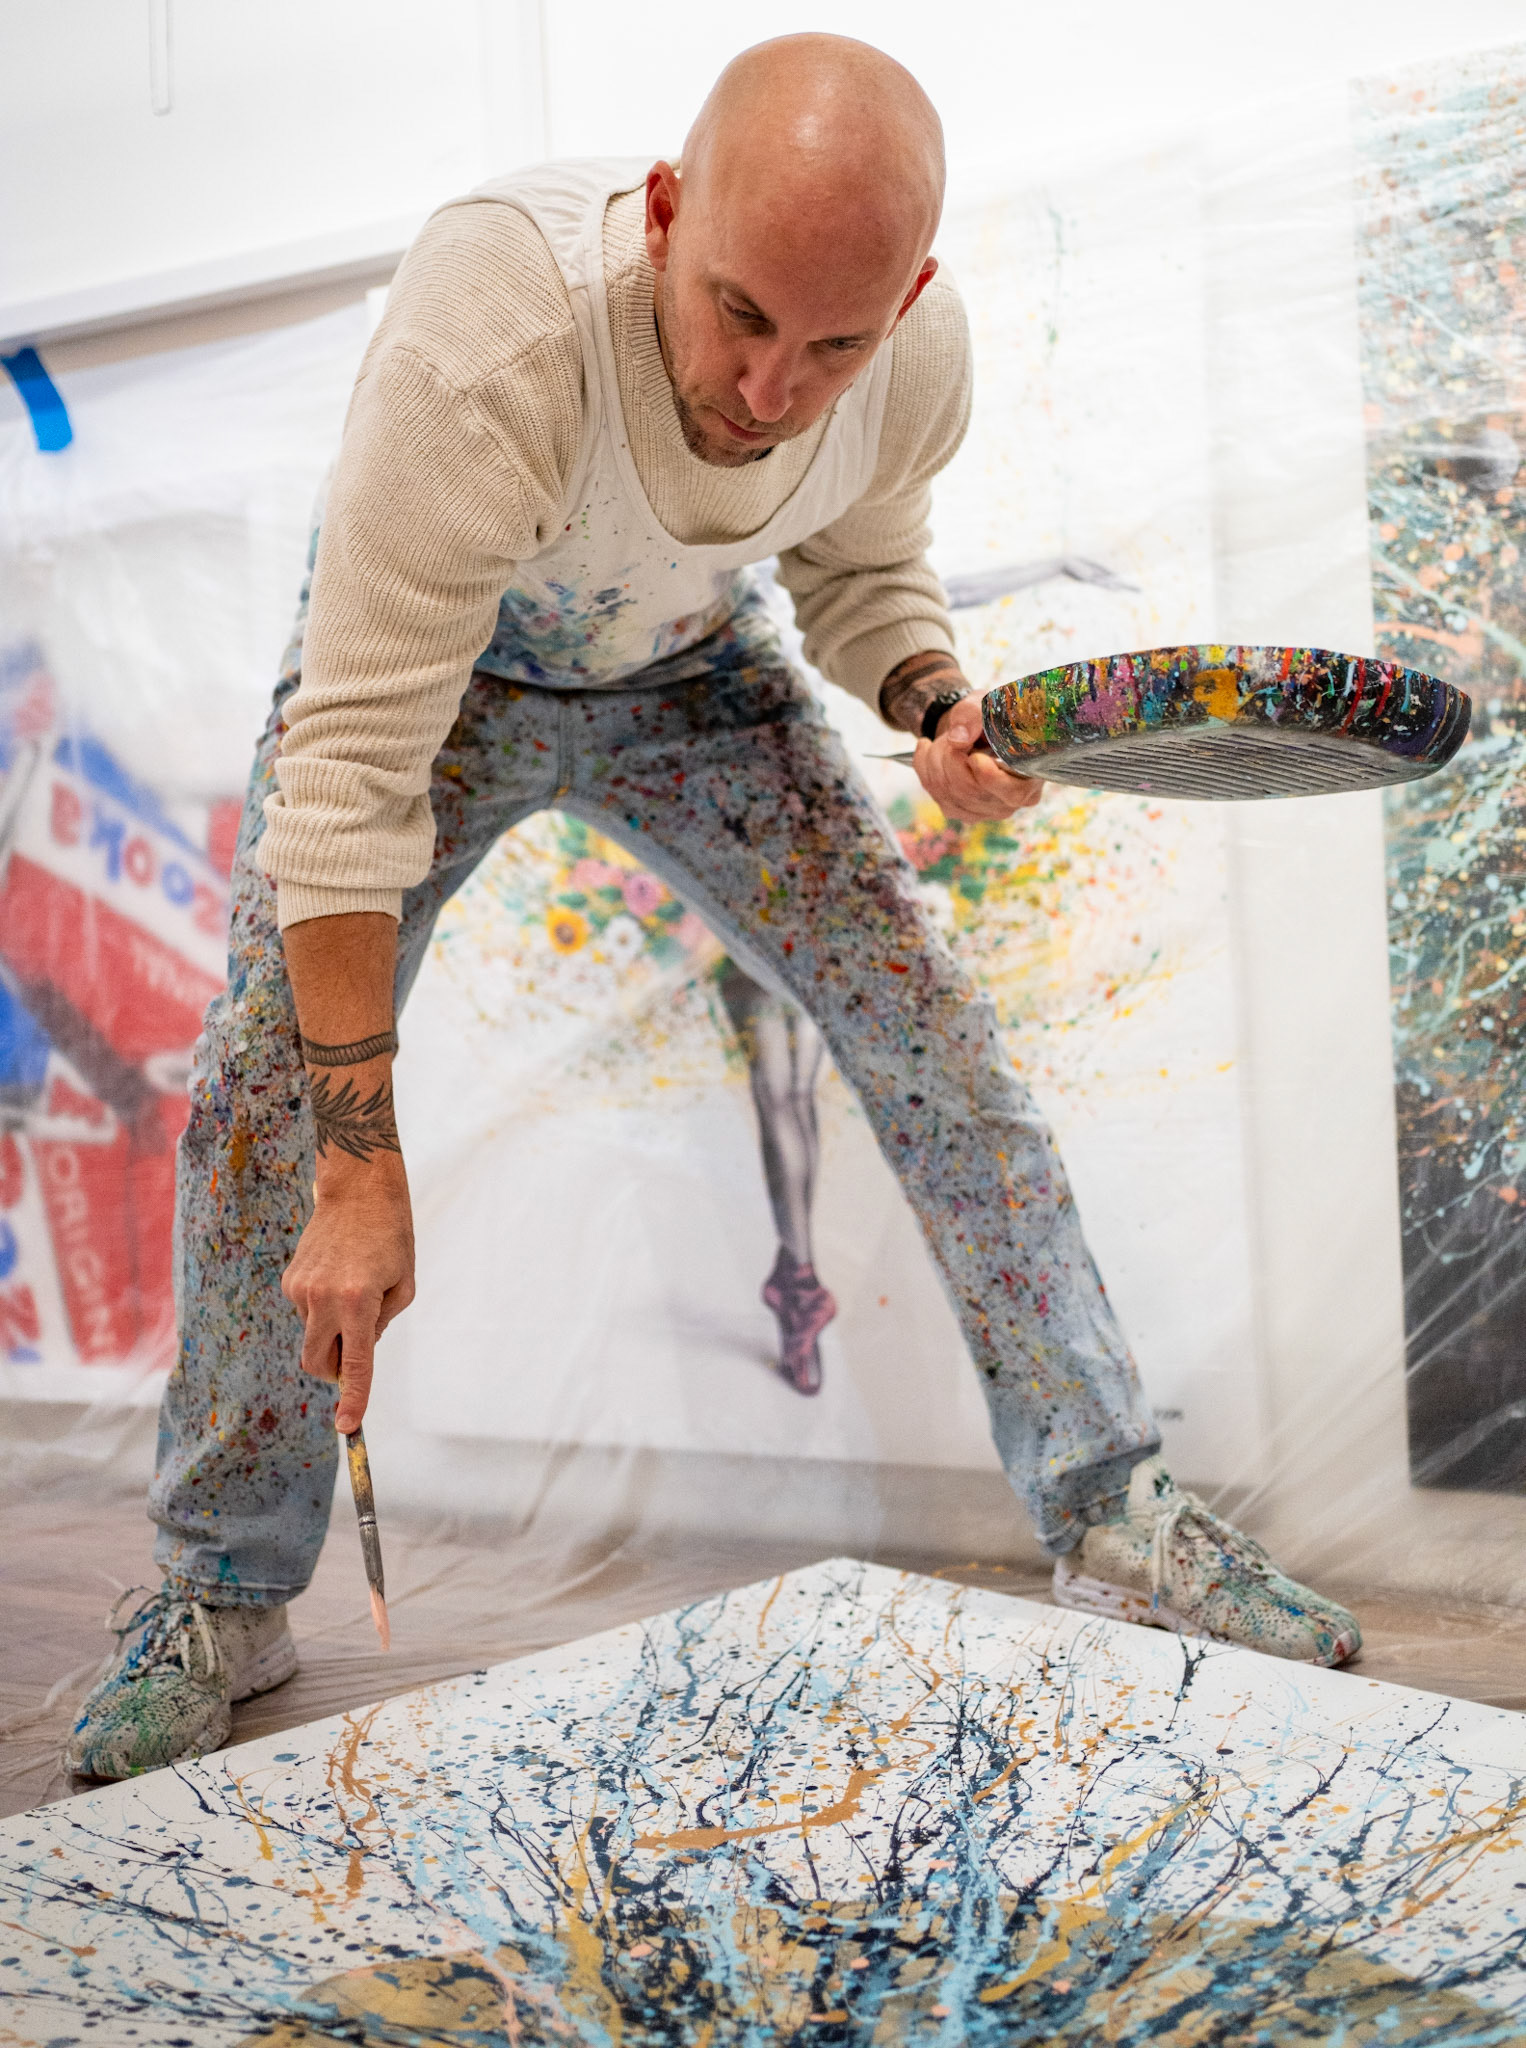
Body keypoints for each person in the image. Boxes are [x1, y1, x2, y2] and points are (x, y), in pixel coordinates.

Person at [67, 34, 1359, 1780]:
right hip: (446, 689)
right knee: (259, 1093)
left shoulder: (913, 359)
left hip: (698, 678)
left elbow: (857, 565)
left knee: (938, 1044)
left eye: (833, 344)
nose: (768, 388)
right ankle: (222, 1588)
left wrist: (926, 699)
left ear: (906, 299)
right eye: (738, 314)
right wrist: (359, 1171)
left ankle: (1111, 1507)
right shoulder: (492, 333)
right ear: (665, 215)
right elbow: (348, 775)